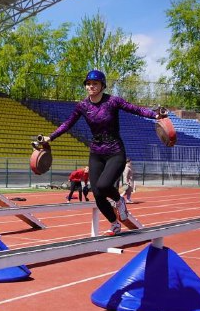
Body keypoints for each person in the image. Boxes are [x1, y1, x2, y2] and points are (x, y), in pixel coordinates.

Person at [40, 70, 166, 236]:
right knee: (98, 194)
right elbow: (68, 124)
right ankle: (114, 224)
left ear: (102, 86)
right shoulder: (83, 106)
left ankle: (119, 201)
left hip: (115, 151)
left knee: (104, 185)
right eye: (89, 84)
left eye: (95, 84)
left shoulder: (113, 101)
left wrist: (155, 115)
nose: (91, 86)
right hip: (96, 153)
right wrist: (51, 137)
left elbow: (134, 109)